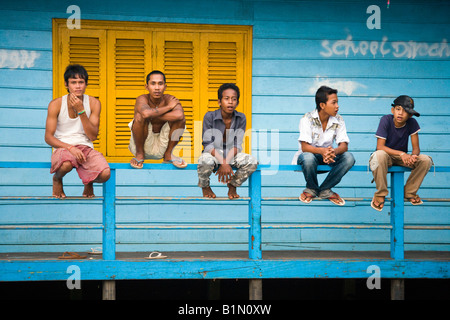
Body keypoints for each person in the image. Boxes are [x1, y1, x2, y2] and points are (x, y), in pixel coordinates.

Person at [45, 64, 110, 198]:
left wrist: (81, 111)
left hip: (86, 148)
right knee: (67, 164)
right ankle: (57, 179)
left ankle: (89, 181)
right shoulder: (56, 104)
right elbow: (48, 137)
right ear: (66, 84)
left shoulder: (94, 103)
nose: (78, 86)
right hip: (63, 148)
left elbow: (92, 136)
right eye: (73, 82)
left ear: (86, 84)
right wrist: (70, 148)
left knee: (105, 174)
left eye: (81, 82)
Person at [292, 86, 355, 205]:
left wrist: (333, 152)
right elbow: (305, 147)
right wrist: (322, 151)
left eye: (337, 102)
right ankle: (311, 188)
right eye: (334, 102)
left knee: (349, 157)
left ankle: (325, 189)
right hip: (309, 160)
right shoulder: (307, 119)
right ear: (322, 105)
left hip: (328, 157)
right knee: (308, 157)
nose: (337, 106)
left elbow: (344, 146)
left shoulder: (339, 119)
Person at [370, 95, 432, 211]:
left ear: (410, 115)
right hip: (386, 157)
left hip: (402, 159)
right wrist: (402, 154)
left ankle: (409, 192)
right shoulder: (386, 120)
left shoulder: (412, 123)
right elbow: (380, 147)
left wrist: (413, 156)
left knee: (425, 160)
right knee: (379, 154)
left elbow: (416, 148)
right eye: (398, 109)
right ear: (392, 110)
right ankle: (380, 194)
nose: (400, 113)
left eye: (405, 111)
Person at [197, 83, 257, 199]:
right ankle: (205, 186)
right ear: (219, 102)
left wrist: (226, 161)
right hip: (212, 153)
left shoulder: (241, 118)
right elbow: (207, 144)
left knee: (252, 161)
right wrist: (223, 163)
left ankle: (233, 185)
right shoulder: (209, 116)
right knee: (204, 161)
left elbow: (237, 144)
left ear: (237, 103)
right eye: (226, 99)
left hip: (231, 153)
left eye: (234, 99)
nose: (230, 102)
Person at [128, 70, 187, 169]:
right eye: (153, 84)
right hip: (143, 142)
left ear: (165, 86)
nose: (157, 88)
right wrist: (168, 108)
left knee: (181, 120)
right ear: (147, 86)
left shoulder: (170, 99)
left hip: (164, 143)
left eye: (160, 84)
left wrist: (151, 114)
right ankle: (139, 154)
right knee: (139, 117)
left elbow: (179, 115)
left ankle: (168, 155)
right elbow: (145, 113)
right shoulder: (142, 99)